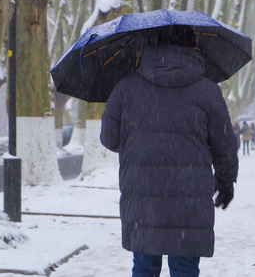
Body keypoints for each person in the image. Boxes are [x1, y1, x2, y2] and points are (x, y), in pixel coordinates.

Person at [100, 26, 239, 277]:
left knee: (144, 267)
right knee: (185, 268)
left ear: (152, 46)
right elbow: (225, 145)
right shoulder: (208, 91)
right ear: (194, 48)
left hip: (142, 198)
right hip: (190, 198)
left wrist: (140, 147)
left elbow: (109, 139)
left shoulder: (125, 88)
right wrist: (226, 180)